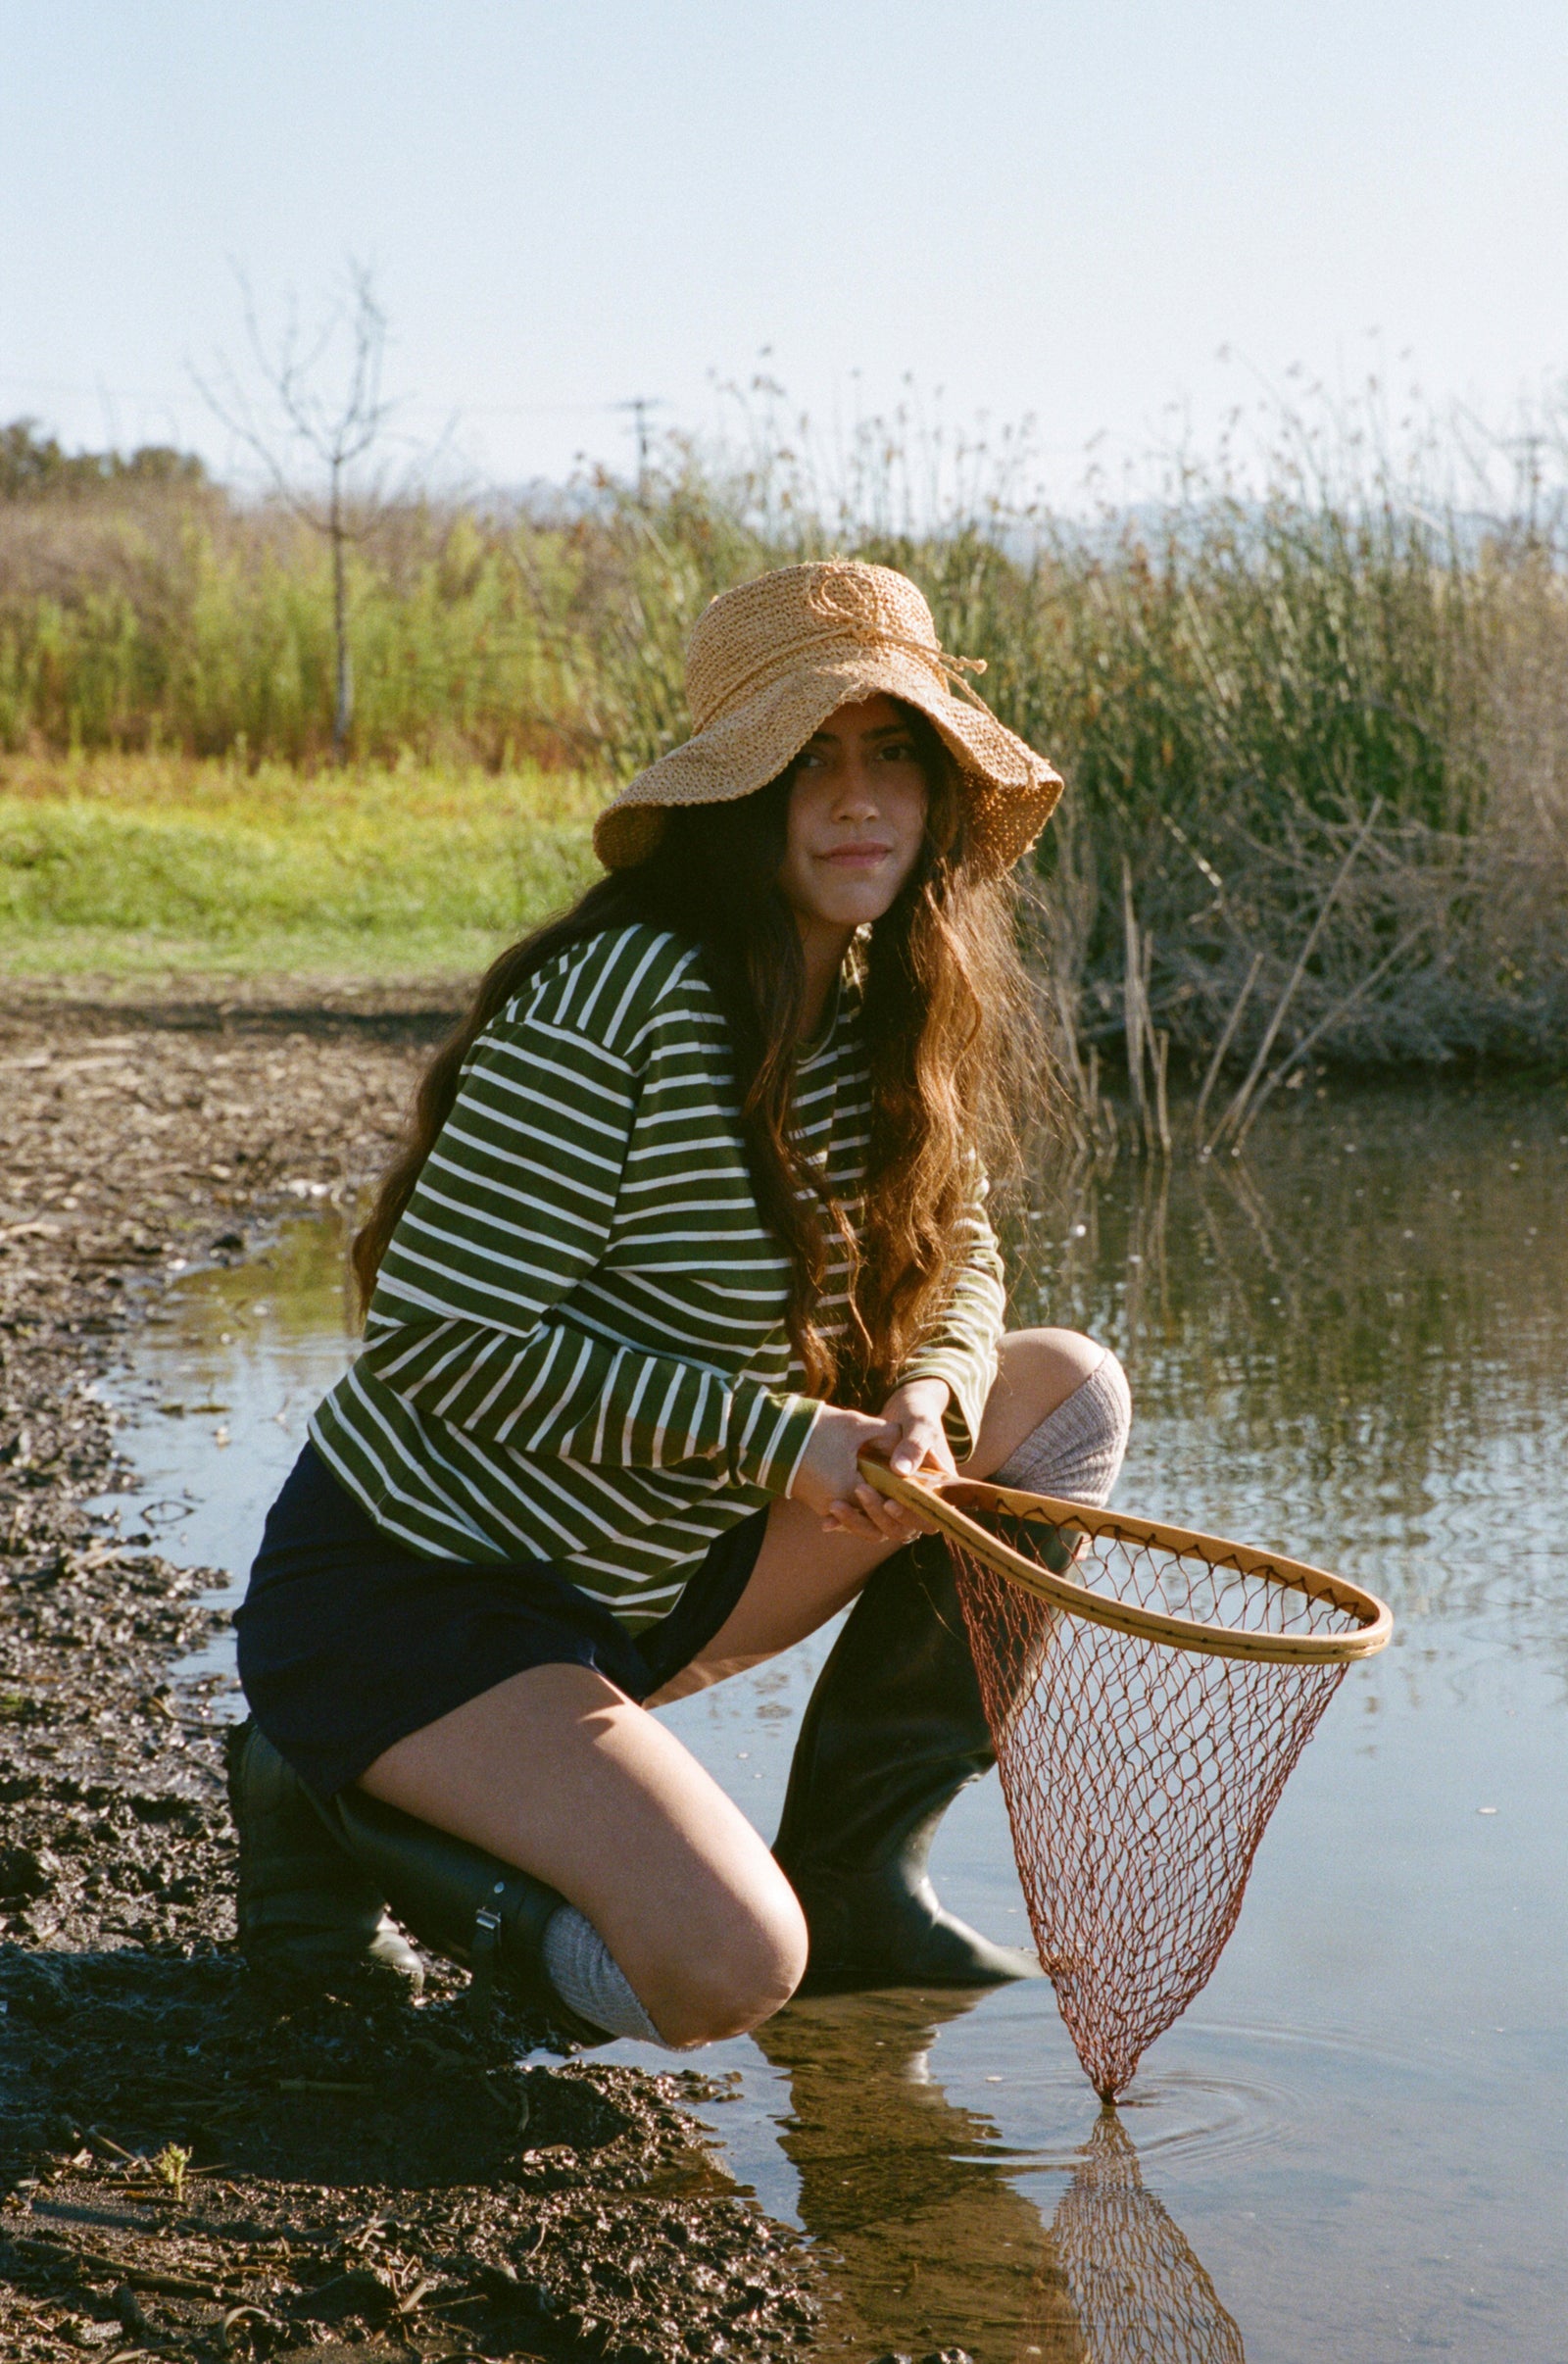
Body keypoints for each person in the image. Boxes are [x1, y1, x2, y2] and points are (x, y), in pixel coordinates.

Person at [227, 560, 1131, 2050]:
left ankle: (855, 1881)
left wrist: (929, 1398)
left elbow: (961, 1251)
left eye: (892, 753)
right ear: (737, 793)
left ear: (940, 793)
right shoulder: (622, 997)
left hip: (646, 1575)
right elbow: (437, 1344)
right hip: (421, 1596)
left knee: (1064, 1392)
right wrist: (785, 1441)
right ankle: (317, 1784)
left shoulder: (888, 1006)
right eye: (810, 757)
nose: (858, 800)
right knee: (721, 1969)